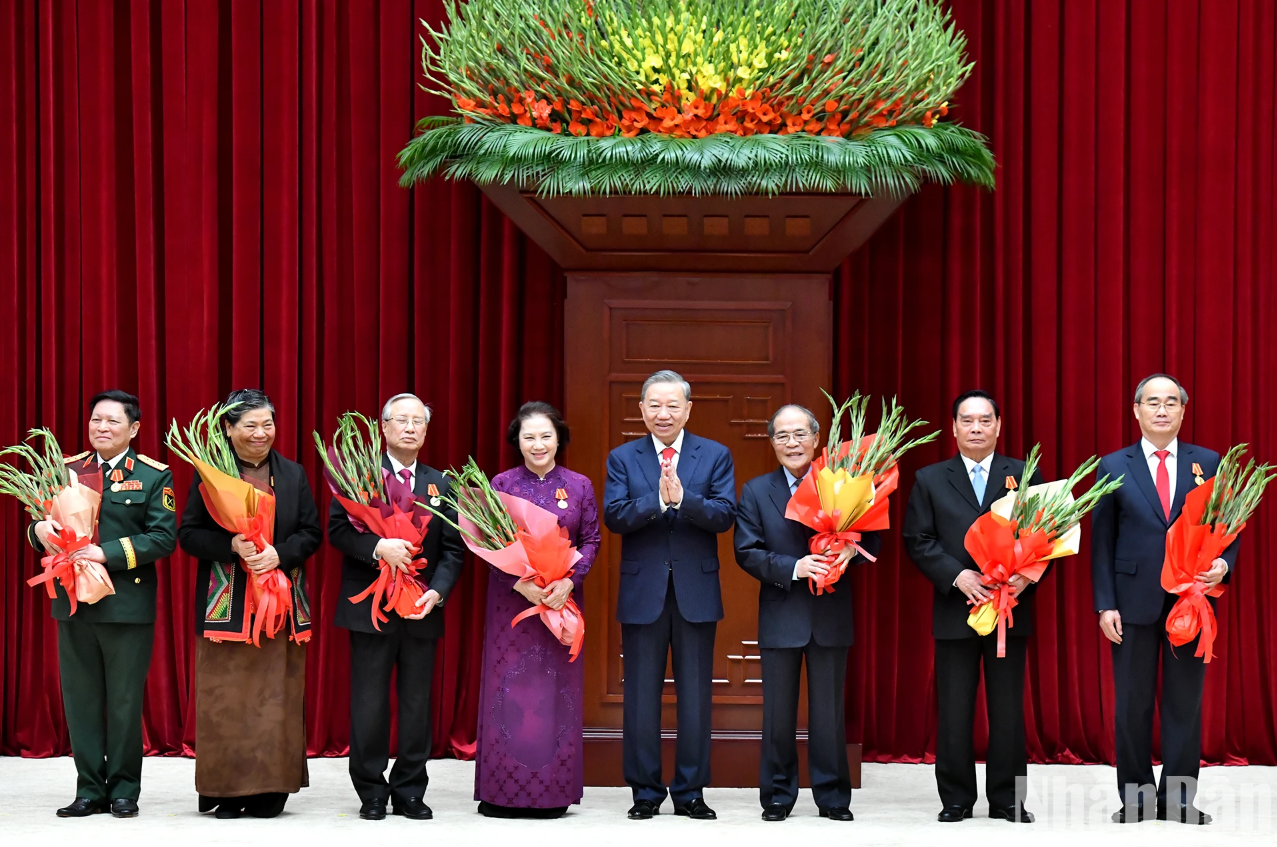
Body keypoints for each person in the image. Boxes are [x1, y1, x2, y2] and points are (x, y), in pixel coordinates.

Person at [1091, 374, 1238, 825]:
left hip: (1190, 601)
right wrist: (1105, 604)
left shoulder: (1207, 462)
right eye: (1152, 402)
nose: (1161, 410)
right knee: (1132, 704)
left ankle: (1178, 801)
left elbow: (1227, 526)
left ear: (1182, 411)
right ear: (1136, 410)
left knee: (1183, 705)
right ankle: (1134, 800)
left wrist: (1223, 565)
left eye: (1170, 402)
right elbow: (1102, 541)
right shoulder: (1114, 465)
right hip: (1131, 602)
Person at [30, 390, 177, 818]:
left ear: (133, 429)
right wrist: (38, 529)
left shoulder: (153, 476)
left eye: (113, 421)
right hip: (74, 603)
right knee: (81, 701)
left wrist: (105, 554)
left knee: (125, 701)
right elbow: (36, 527)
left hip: (126, 606)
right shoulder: (66, 471)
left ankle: (124, 790)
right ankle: (89, 789)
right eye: (96, 420)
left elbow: (163, 538)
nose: (102, 428)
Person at [177, 389, 322, 819]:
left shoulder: (293, 474)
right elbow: (187, 534)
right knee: (226, 696)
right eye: (250, 425)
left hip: (280, 603)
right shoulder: (210, 474)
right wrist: (231, 544)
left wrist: (281, 553)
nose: (261, 434)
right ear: (228, 428)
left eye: (268, 424)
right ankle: (228, 790)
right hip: (229, 603)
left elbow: (312, 534)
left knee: (277, 695)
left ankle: (271, 790)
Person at [733, 404, 881, 822]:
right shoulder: (756, 491)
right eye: (782, 436)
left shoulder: (844, 484)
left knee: (829, 715)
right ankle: (778, 796)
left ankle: (833, 797)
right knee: (778, 715)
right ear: (773, 443)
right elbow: (747, 551)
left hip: (830, 614)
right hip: (782, 613)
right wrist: (795, 568)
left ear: (817, 439)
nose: (792, 442)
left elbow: (873, 543)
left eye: (800, 434)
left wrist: (852, 549)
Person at [902, 390, 1043, 824]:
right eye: (968, 421)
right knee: (956, 710)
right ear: (954, 427)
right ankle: (956, 799)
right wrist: (955, 576)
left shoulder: (1023, 474)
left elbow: (1046, 537)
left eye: (985, 421)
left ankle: (1008, 800)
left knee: (1006, 712)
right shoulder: (930, 478)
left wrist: (1026, 573)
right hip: (955, 609)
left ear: (999, 426)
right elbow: (918, 540)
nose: (977, 428)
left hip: (1008, 608)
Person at [603, 369, 736, 821]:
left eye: (672, 405)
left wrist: (684, 500)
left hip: (696, 591)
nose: (663, 414)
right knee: (641, 695)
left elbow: (723, 516)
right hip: (644, 592)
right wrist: (658, 503)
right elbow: (615, 517)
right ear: (641, 410)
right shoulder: (622, 458)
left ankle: (691, 792)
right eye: (654, 406)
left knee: (696, 695)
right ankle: (644, 791)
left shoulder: (715, 455)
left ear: (688, 410)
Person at [329, 393, 464, 821]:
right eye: (400, 420)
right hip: (371, 608)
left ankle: (409, 788)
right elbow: (337, 532)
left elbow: (455, 550)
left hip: (421, 609)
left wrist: (437, 592)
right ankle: (370, 789)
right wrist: (378, 547)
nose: (409, 428)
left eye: (417, 422)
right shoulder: (357, 476)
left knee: (415, 703)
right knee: (369, 702)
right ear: (383, 428)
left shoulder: (442, 484)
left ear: (426, 431)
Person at [475, 401, 601, 818]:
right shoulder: (502, 483)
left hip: (560, 603)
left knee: (554, 693)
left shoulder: (579, 485)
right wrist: (521, 583)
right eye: (529, 436)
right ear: (518, 442)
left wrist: (569, 581)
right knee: (509, 690)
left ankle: (552, 792)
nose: (538, 444)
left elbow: (591, 541)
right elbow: (491, 545)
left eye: (546, 435)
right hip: (514, 604)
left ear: (559, 438)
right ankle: (501, 793)